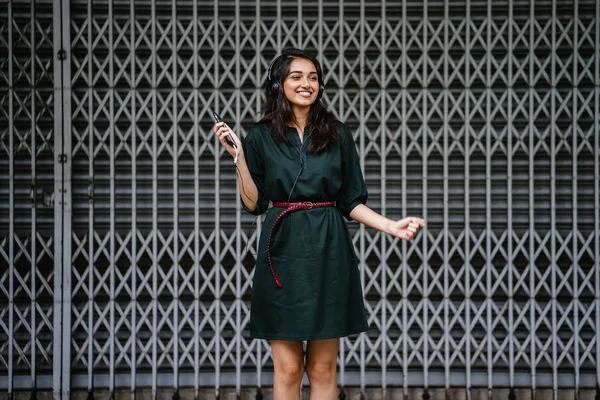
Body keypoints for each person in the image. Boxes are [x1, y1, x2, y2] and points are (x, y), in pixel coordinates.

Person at [214, 48, 425, 400]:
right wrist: (238, 160)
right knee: (289, 367)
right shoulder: (260, 136)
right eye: (296, 76)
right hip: (281, 250)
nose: (306, 84)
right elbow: (255, 204)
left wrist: (390, 226)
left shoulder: (337, 133)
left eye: (312, 77)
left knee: (323, 368)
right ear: (278, 83)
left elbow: (350, 201)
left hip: (329, 249)